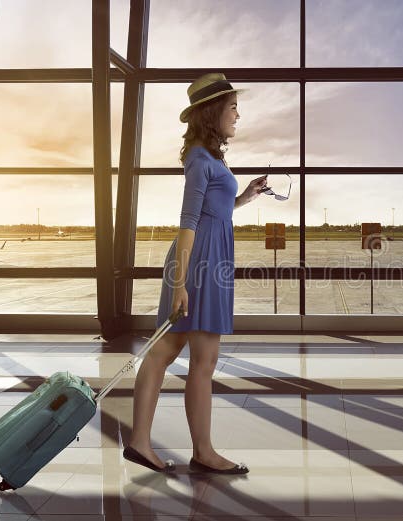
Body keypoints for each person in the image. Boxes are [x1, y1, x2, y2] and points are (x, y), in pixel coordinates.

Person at [124, 73, 267, 475]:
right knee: (200, 359)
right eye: (233, 107)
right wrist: (181, 284)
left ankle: (143, 443)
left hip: (208, 260)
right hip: (199, 263)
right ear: (214, 111)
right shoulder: (201, 161)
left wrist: (244, 197)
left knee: (166, 352)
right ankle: (201, 452)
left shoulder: (208, 158)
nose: (238, 115)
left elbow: (213, 213)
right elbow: (188, 224)